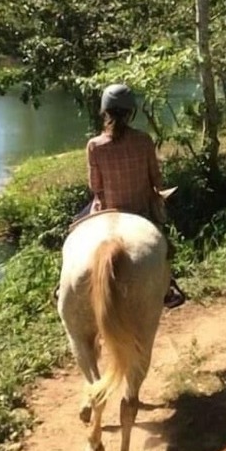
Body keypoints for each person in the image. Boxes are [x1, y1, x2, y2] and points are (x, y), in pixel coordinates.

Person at [76, 83, 186, 309]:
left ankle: (63, 287)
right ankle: (167, 287)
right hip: (141, 211)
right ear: (131, 112)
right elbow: (157, 180)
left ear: (105, 111)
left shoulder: (94, 145)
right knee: (164, 245)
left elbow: (95, 186)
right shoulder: (144, 140)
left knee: (73, 231)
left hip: (106, 210)